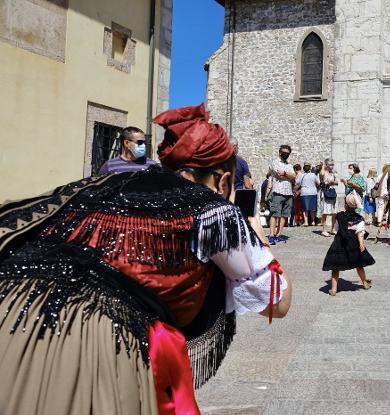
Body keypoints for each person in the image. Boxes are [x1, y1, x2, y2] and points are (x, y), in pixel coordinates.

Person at [0, 104, 292, 414]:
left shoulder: (100, 187)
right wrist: (256, 231)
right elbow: (278, 300)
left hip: (12, 309)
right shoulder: (213, 209)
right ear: (223, 182)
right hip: (94, 346)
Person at [322, 192, 374, 296]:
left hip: (340, 243)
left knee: (335, 267)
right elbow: (360, 233)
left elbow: (336, 229)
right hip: (353, 243)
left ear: (345, 205)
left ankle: (333, 289)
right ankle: (365, 283)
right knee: (359, 264)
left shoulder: (340, 216)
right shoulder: (359, 218)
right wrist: (361, 244)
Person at [267, 145, 296, 244]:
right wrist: (287, 175)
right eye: (284, 152)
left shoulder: (289, 165)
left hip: (288, 192)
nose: (286, 154)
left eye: (288, 153)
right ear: (279, 152)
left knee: (284, 215)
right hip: (278, 191)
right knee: (275, 214)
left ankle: (279, 235)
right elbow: (279, 174)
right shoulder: (275, 162)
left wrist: (285, 173)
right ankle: (271, 235)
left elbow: (294, 176)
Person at [296, 162, 320, 226]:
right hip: (313, 192)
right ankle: (313, 221)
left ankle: (306, 222)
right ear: (310, 168)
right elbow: (318, 183)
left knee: (305, 208)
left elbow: (297, 182)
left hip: (304, 193)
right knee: (312, 208)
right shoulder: (313, 175)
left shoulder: (301, 175)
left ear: (304, 168)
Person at [319, 159, 339, 237]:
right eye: (330, 164)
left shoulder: (333, 173)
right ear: (327, 165)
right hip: (325, 192)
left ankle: (333, 228)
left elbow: (337, 182)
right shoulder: (324, 172)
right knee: (325, 212)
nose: (332, 166)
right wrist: (323, 166)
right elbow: (321, 174)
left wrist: (332, 182)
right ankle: (324, 230)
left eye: (332, 164)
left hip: (332, 192)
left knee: (334, 212)